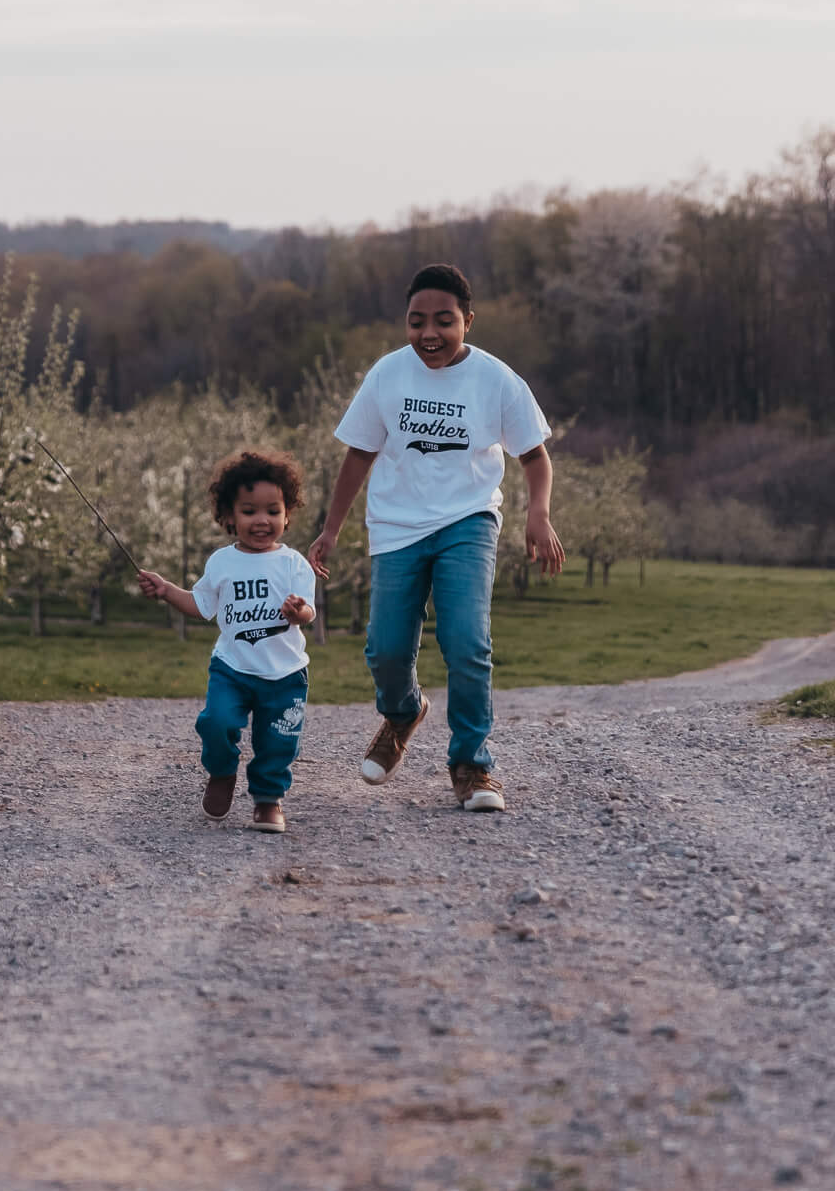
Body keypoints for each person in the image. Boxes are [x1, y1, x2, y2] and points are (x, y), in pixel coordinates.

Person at [307, 263, 563, 812]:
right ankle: (402, 713)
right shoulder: (387, 375)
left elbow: (535, 457)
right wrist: (331, 529)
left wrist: (537, 514)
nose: (429, 334)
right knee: (386, 650)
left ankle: (473, 764)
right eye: (416, 321)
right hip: (397, 526)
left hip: (468, 522)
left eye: (444, 321)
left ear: (468, 321)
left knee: (468, 642)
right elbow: (359, 454)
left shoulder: (496, 380)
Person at [137, 450, 319, 833]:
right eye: (249, 511)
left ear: (287, 514)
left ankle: (268, 801)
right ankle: (221, 772)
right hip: (232, 668)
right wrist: (167, 590)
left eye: (273, 511)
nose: (262, 520)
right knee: (216, 721)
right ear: (229, 517)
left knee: (278, 742)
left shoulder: (294, 564)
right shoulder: (221, 562)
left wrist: (298, 611)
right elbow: (202, 606)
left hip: (285, 673)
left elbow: (309, 614)